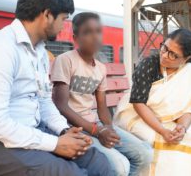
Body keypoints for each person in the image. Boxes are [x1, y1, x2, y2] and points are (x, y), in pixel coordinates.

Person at [0, 0, 113, 176]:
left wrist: (64, 132)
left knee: (97, 161)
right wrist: (55, 144)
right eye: (63, 18)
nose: (65, 26)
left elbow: (44, 100)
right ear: (47, 15)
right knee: (71, 173)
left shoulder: (40, 52)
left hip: (31, 130)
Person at [51, 12, 153, 176]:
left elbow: (102, 107)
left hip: (95, 125)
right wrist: (97, 132)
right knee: (120, 166)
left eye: (98, 31)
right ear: (76, 38)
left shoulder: (100, 68)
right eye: (88, 32)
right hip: (73, 129)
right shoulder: (66, 60)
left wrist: (109, 129)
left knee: (145, 154)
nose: (95, 37)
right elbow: (61, 106)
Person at [114, 29, 191, 176]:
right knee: (155, 139)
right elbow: (138, 103)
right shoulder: (149, 64)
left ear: (186, 58)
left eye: (173, 55)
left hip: (172, 120)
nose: (164, 55)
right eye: (165, 47)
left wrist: (181, 128)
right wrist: (163, 131)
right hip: (138, 115)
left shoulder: (190, 72)